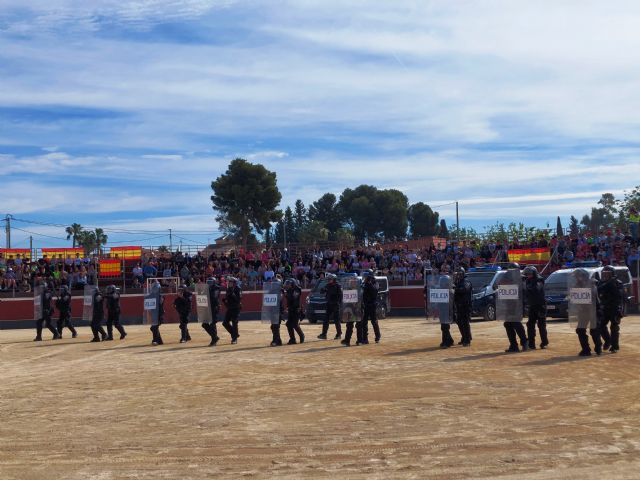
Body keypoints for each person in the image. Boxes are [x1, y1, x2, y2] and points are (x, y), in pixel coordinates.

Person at [572, 269, 602, 356]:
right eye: (576, 277)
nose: (577, 278)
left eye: (579, 276)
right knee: (580, 330)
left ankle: (598, 347)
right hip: (583, 312)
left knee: (594, 330)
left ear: (584, 276)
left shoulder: (591, 284)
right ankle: (586, 349)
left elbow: (592, 297)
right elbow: (575, 299)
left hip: (593, 310)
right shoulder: (577, 285)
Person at [597, 265, 623, 353]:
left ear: (612, 274)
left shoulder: (618, 283)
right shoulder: (601, 283)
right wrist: (608, 283)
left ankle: (615, 346)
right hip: (604, 307)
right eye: (604, 273)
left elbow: (619, 296)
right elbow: (598, 290)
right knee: (601, 326)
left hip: (614, 308)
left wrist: (612, 284)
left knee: (614, 327)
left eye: (608, 273)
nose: (605, 275)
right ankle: (608, 341)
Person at [523, 266, 548, 349]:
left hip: (541, 305)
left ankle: (544, 342)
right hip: (532, 305)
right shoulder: (527, 280)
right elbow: (526, 293)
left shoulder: (540, 280)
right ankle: (531, 343)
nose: (528, 275)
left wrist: (527, 287)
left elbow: (537, 289)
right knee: (530, 325)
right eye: (527, 274)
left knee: (541, 325)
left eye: (529, 274)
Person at [453, 267, 472, 347]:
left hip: (465, 305)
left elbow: (464, 289)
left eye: (459, 274)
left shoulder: (466, 281)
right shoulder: (457, 282)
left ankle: (467, 340)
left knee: (465, 322)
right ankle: (464, 337)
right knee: (459, 322)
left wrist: (455, 289)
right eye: (457, 274)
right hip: (459, 305)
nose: (458, 276)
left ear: (463, 274)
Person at [318, 273, 342, 340]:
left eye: (330, 279)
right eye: (328, 279)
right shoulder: (328, 285)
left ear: (334, 279)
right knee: (326, 319)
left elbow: (340, 296)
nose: (328, 280)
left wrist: (338, 304)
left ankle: (339, 334)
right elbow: (322, 291)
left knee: (336, 320)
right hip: (329, 304)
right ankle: (324, 334)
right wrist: (323, 290)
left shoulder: (338, 286)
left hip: (335, 304)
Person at [360, 270, 381, 344]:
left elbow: (374, 292)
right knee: (364, 322)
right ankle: (365, 339)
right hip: (366, 305)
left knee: (374, 321)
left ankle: (378, 336)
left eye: (366, 277)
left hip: (372, 305)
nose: (364, 278)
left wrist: (369, 284)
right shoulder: (364, 283)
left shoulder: (375, 283)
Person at [201, 277, 221, 346]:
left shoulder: (216, 288)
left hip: (214, 308)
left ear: (214, 282)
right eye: (208, 282)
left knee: (213, 324)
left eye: (210, 282)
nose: (209, 284)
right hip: (208, 308)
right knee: (204, 324)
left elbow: (214, 297)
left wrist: (207, 291)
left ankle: (214, 340)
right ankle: (215, 337)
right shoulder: (207, 288)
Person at [285, 278, 305, 344]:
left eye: (289, 284)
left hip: (296, 310)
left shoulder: (297, 290)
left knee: (295, 324)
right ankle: (292, 339)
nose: (287, 286)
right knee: (288, 324)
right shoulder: (289, 290)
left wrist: (285, 293)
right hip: (291, 309)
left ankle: (302, 336)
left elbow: (292, 298)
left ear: (293, 284)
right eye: (287, 284)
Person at [222, 276, 242, 344]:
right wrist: (225, 301)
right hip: (230, 308)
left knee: (234, 323)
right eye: (229, 282)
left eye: (230, 282)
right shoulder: (228, 289)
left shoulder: (238, 289)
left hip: (236, 308)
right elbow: (228, 298)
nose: (229, 283)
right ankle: (235, 334)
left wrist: (232, 293)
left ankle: (234, 339)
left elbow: (238, 300)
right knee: (225, 323)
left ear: (234, 283)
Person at [149, 280, 164, 346]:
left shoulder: (160, 295)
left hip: (158, 313)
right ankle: (159, 341)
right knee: (153, 327)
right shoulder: (152, 294)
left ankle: (155, 340)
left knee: (154, 327)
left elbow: (160, 303)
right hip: (153, 313)